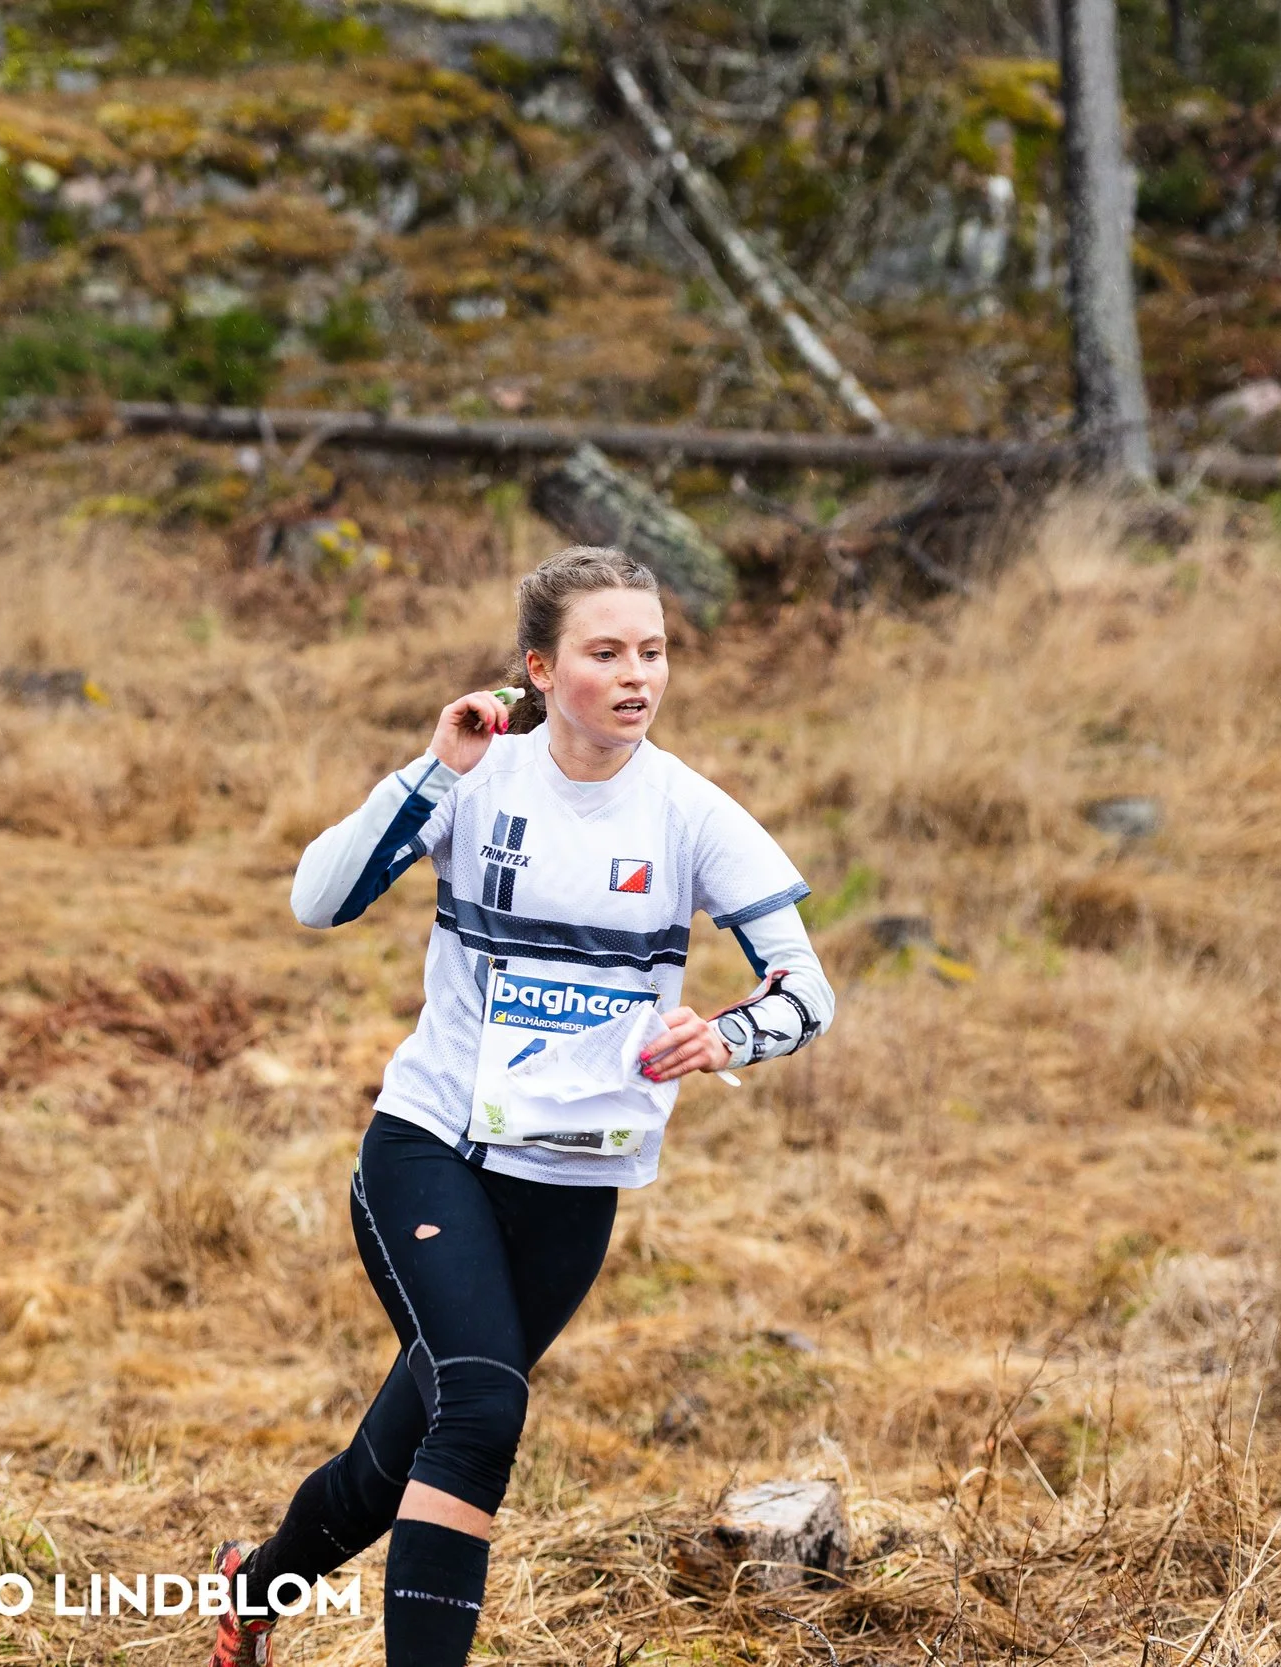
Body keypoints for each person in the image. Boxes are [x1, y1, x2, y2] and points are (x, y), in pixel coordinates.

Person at [206, 546, 837, 1667]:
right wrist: (433, 769)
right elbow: (317, 900)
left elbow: (808, 988)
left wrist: (724, 1031)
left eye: (652, 651)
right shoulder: (479, 777)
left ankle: (253, 1587)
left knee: (403, 1446)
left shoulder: (691, 813)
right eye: (606, 652)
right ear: (540, 670)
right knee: (486, 1409)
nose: (637, 674)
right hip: (430, 1146)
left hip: (572, 1182)